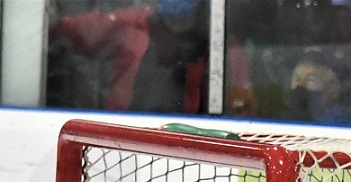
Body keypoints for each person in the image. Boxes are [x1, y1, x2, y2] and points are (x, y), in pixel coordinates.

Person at [46, 0, 255, 116]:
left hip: (194, 144)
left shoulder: (227, 52)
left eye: (184, 32)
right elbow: (66, 29)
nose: (175, 39)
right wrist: (50, 20)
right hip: (126, 137)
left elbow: (243, 111)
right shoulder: (132, 28)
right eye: (166, 26)